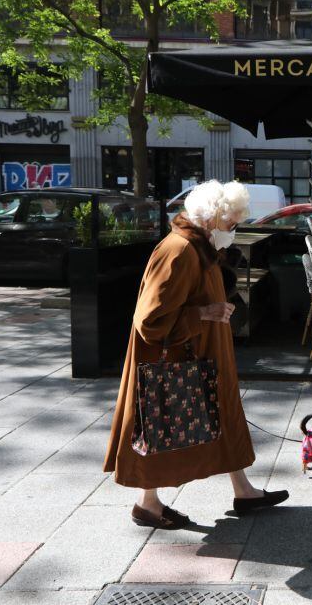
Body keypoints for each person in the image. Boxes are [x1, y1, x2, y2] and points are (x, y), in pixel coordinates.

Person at [103, 180, 288, 529]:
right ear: (211, 220)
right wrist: (205, 314)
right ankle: (147, 503)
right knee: (161, 430)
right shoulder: (180, 251)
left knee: (223, 418)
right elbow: (149, 320)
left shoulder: (198, 248)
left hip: (202, 356)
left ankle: (243, 490)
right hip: (182, 360)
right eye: (230, 223)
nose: (233, 230)